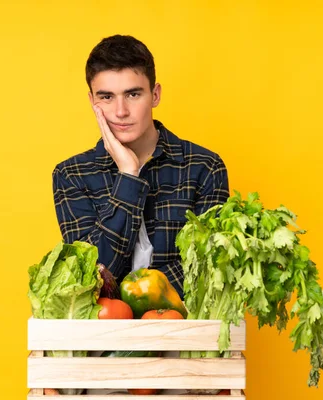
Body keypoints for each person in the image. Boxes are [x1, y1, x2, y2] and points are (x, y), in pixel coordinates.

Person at [52, 34, 229, 298]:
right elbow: (93, 276)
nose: (121, 111)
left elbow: (207, 268)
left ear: (155, 95)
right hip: (102, 335)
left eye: (133, 94)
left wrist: (134, 296)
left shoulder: (204, 167)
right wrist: (128, 176)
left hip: (184, 333)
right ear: (92, 102)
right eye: (107, 97)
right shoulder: (72, 175)